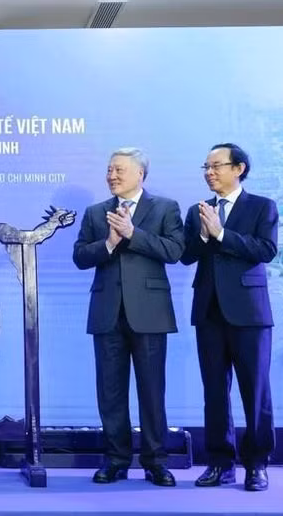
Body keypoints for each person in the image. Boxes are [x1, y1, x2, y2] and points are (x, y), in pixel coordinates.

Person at [73, 147, 184, 487]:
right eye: (109, 170)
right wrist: (108, 243)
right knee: (110, 392)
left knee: (152, 391)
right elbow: (79, 256)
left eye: (119, 169)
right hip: (107, 314)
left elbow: (174, 251)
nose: (112, 176)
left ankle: (155, 462)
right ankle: (116, 459)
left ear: (140, 174)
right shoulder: (95, 213)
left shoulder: (165, 208)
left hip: (149, 314)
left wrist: (133, 234)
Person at [180, 143, 276, 492]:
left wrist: (222, 234)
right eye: (205, 166)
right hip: (209, 312)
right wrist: (205, 237)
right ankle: (221, 463)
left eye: (216, 165)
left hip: (250, 314)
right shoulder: (197, 210)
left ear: (239, 168)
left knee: (255, 392)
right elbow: (187, 256)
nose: (210, 172)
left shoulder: (262, 206)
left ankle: (257, 464)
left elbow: (265, 250)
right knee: (215, 392)